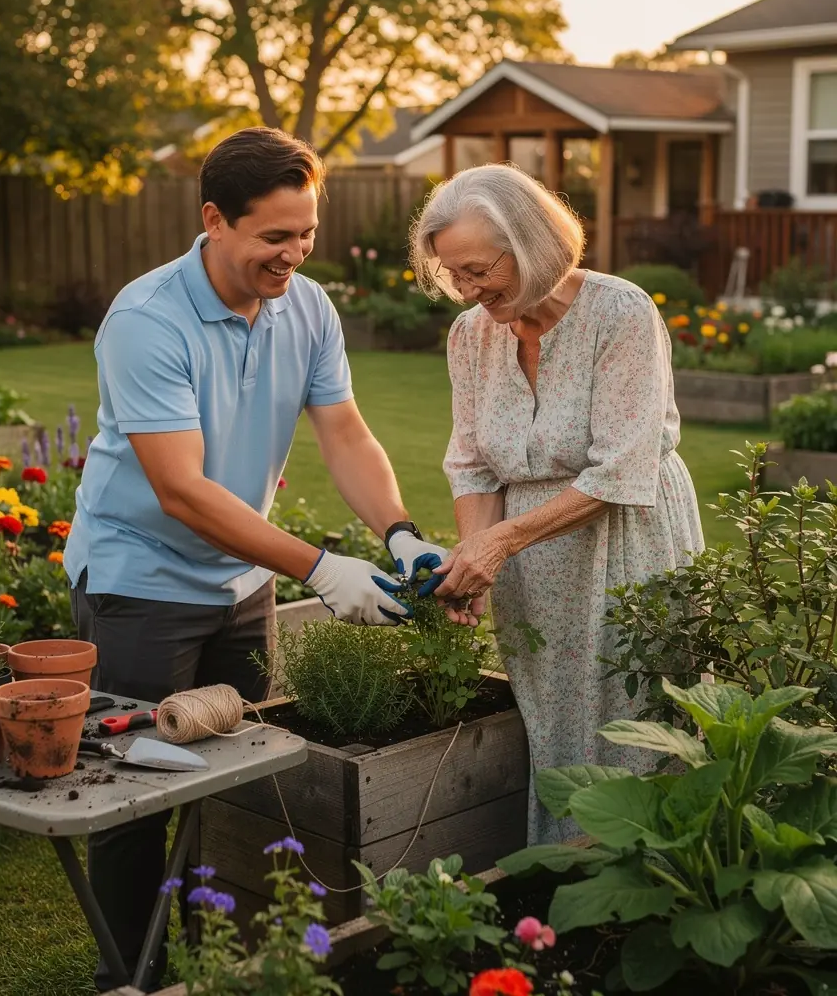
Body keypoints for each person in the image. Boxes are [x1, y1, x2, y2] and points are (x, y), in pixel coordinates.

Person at [63, 126, 447, 989]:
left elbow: (345, 433)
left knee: (229, 771)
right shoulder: (146, 320)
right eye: (276, 236)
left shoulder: (306, 307)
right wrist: (320, 566)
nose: (295, 253)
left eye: (306, 232)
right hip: (139, 582)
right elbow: (182, 490)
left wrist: (397, 533)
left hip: (239, 583)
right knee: (135, 792)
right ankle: (132, 976)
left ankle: (211, 958)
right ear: (215, 220)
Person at [410, 164, 704, 845]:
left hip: (629, 545)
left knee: (636, 717)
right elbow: (474, 463)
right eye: (454, 274)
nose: (467, 290)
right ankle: (561, 881)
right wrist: (472, 561)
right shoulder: (469, 336)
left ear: (534, 245)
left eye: (480, 270)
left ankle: (641, 881)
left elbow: (620, 467)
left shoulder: (620, 312)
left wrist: (500, 543)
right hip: (533, 570)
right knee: (553, 726)